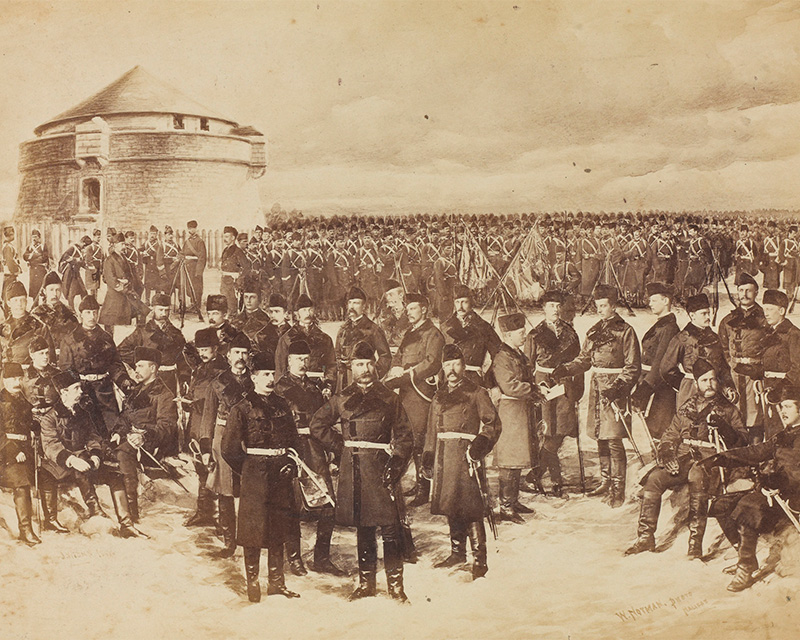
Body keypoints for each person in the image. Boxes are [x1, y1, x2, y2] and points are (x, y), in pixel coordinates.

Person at [309, 340, 414, 602]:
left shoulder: (390, 397)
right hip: (354, 469)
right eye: (359, 364)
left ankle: (396, 587)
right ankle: (366, 584)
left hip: (381, 469)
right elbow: (317, 425)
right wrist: (342, 448)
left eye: (368, 363)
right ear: (351, 368)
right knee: (364, 527)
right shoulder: (342, 398)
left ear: (375, 365)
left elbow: (404, 435)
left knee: (390, 529)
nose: (365, 369)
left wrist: (396, 464)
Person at [625, 359, 747, 558]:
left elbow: (742, 441)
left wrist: (724, 427)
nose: (710, 384)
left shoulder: (728, 409)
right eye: (704, 380)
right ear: (696, 383)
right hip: (684, 457)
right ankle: (645, 537)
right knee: (654, 479)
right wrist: (666, 454)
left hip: (712, 460)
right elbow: (670, 435)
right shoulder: (686, 408)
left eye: (713, 379)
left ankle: (695, 544)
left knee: (697, 477)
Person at [700, 384, 800, 591]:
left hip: (792, 498)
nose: (782, 411)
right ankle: (744, 555)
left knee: (748, 506)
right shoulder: (783, 435)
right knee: (720, 506)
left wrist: (777, 482)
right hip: (773, 491)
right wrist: (722, 458)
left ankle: (745, 568)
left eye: (788, 406)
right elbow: (756, 451)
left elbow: (795, 475)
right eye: (781, 406)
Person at [221, 351, 301, 603]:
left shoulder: (282, 404)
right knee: (253, 530)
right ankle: (253, 582)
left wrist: (290, 464)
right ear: (253, 377)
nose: (270, 379)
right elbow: (229, 449)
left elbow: (293, 441)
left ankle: (277, 583)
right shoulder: (241, 408)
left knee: (278, 526)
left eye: (272, 374)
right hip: (254, 473)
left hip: (280, 473)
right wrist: (247, 470)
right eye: (265, 374)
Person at [552, 284, 641, 508]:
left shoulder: (626, 331)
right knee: (600, 436)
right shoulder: (593, 330)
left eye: (604, 306)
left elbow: (633, 366)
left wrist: (618, 388)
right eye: (597, 306)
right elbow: (584, 360)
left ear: (613, 306)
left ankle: (618, 489)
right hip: (597, 388)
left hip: (615, 390)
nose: (600, 310)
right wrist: (566, 368)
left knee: (614, 439)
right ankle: (605, 481)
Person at [422, 344, 500, 579]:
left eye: (456, 364)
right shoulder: (438, 396)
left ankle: (479, 560)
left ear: (464, 366)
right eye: (447, 365)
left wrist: (479, 446)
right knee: (450, 503)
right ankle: (457, 553)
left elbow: (492, 424)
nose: (452, 370)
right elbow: (430, 430)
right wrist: (428, 455)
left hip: (467, 455)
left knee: (472, 507)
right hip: (444, 454)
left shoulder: (477, 392)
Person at [39, 369, 145, 538]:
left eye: (80, 388)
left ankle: (126, 524)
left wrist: (95, 453)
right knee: (81, 461)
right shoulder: (50, 418)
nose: (81, 392)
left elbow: (92, 436)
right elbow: (51, 446)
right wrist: (72, 459)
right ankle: (95, 510)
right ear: (64, 392)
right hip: (58, 467)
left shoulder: (82, 413)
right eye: (76, 388)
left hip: (83, 462)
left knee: (114, 475)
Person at [275, 339, 344, 576]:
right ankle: (294, 558)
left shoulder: (315, 388)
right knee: (291, 505)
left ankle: (322, 558)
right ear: (289, 361)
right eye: (298, 360)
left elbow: (323, 420)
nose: (303, 363)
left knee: (328, 505)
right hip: (292, 450)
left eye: (306, 359)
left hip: (314, 449)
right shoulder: (280, 388)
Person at [384, 292, 445, 508]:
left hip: (421, 394)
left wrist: (407, 375)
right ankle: (417, 484)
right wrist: (393, 373)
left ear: (424, 310)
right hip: (406, 394)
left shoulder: (434, 334)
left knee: (421, 441)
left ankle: (424, 488)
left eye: (413, 309)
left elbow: (432, 363)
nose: (409, 313)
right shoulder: (409, 333)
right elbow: (399, 357)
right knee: (407, 438)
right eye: (407, 309)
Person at [110, 346, 179, 522]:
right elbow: (124, 418)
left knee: (123, 453)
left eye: (140, 366)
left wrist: (144, 436)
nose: (136, 371)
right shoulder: (136, 390)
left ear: (153, 368)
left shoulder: (164, 394)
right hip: (131, 438)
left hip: (151, 444)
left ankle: (131, 510)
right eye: (136, 366)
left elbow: (167, 426)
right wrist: (118, 432)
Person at [524, 290, 582, 497]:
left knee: (561, 430)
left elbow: (579, 362)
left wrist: (577, 390)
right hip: (544, 384)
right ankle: (556, 480)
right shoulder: (535, 334)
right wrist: (535, 386)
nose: (555, 310)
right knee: (548, 431)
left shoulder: (570, 332)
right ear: (544, 308)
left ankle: (536, 473)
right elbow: (528, 364)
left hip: (564, 384)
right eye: (551, 306)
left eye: (558, 306)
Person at [201, 332, 253, 557]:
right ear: (229, 355)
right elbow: (208, 417)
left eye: (244, 352)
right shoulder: (218, 383)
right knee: (225, 491)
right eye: (236, 353)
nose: (240, 357)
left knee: (249, 490)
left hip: (250, 437)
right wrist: (206, 449)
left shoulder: (256, 380)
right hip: (222, 438)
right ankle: (229, 541)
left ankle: (248, 538)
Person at [490, 312, 544, 521]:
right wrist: (534, 389)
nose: (524, 336)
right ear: (508, 334)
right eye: (520, 333)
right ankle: (505, 506)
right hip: (510, 413)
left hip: (521, 411)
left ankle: (513, 500)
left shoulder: (517, 354)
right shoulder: (502, 357)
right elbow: (510, 386)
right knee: (508, 460)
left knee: (518, 458)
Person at [58, 295, 134, 435]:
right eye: (87, 312)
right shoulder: (70, 340)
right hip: (82, 391)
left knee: (111, 429)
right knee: (86, 430)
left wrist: (123, 379)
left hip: (104, 390)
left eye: (94, 312)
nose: (92, 316)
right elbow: (66, 369)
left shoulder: (106, 338)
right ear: (80, 314)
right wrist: (77, 390)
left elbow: (114, 364)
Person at [718, 272, 771, 443]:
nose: (745, 294)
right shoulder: (727, 321)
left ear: (756, 293)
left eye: (749, 290)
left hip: (755, 379)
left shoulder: (765, 320)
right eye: (741, 290)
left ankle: (754, 463)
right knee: (735, 420)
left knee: (756, 421)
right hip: (734, 377)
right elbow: (723, 350)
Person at [660, 293, 734, 413]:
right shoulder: (682, 338)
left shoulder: (714, 337)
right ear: (692, 316)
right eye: (703, 314)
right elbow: (666, 369)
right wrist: (685, 385)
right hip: (691, 391)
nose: (708, 317)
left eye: (708, 313)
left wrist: (729, 387)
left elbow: (723, 367)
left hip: (714, 390)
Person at [183, 327, 227, 528]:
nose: (202, 353)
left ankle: (220, 517)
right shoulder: (201, 367)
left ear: (216, 348)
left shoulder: (221, 370)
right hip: (197, 422)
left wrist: (196, 402)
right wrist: (188, 400)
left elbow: (218, 399)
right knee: (201, 467)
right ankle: (204, 512)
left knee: (214, 468)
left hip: (210, 424)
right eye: (200, 349)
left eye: (206, 349)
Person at [630, 282, 680, 440]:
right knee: (653, 428)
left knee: (660, 429)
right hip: (652, 383)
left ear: (665, 301)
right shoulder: (661, 325)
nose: (649, 303)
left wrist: (645, 388)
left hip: (660, 386)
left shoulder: (669, 327)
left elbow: (660, 362)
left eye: (653, 300)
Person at [118, 293, 188, 398]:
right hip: (148, 379)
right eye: (160, 310)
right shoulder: (142, 331)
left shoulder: (176, 333)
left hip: (169, 380)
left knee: (167, 409)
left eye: (166, 310)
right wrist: (141, 361)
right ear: (153, 309)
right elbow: (121, 350)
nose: (164, 313)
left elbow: (183, 359)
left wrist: (184, 378)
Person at [0, 362, 40, 546]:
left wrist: (34, 426)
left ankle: (49, 521)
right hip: (5, 454)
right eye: (12, 378)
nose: (16, 382)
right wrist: (13, 450)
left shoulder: (23, 400)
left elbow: (27, 424)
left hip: (24, 451)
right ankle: (26, 530)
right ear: (4, 380)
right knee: (22, 483)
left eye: (19, 378)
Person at [440, 283, 502, 387]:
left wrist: (488, 379)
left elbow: (499, 356)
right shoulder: (445, 327)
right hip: (450, 379)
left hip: (473, 380)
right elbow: (439, 356)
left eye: (464, 302)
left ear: (471, 303)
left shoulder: (483, 327)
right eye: (457, 302)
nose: (460, 307)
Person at [274, 293, 336, 392]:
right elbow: (280, 368)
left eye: (310, 310)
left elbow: (331, 365)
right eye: (303, 310)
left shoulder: (325, 339)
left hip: (318, 386)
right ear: (297, 314)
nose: (307, 313)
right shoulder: (286, 339)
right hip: (293, 388)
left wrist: (328, 386)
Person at [334, 286, 392, 391]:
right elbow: (336, 353)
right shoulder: (343, 329)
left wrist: (372, 374)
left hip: (365, 381)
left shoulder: (373, 329)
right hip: (345, 381)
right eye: (350, 303)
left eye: (356, 303)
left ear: (363, 306)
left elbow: (386, 356)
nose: (352, 306)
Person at [760, 289, 800, 438]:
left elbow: (797, 368)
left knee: (785, 434)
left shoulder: (794, 334)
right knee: (771, 432)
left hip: (786, 393)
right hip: (769, 390)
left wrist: (779, 391)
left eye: (769, 309)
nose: (766, 313)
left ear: (782, 310)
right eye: (764, 309)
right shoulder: (768, 333)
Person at [100, 232, 149, 333]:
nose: (124, 246)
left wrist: (131, 285)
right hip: (115, 296)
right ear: (114, 245)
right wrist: (122, 284)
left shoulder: (124, 258)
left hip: (127, 293)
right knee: (109, 321)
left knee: (142, 312)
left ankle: (138, 337)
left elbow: (129, 275)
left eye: (124, 244)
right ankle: (109, 343)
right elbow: (110, 279)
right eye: (121, 244)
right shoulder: (109, 260)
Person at [0, 280, 55, 366]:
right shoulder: (2, 328)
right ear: (9, 303)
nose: (19, 304)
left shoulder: (39, 326)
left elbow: (50, 358)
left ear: (26, 301)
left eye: (22, 300)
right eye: (15, 300)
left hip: (30, 374)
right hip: (7, 375)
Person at [30, 271, 79, 355]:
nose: (54, 294)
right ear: (44, 291)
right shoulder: (36, 314)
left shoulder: (69, 314)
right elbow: (32, 342)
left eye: (58, 290)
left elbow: (77, 337)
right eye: (51, 290)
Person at [219, 226, 250, 315]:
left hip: (233, 283)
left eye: (227, 237)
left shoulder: (238, 251)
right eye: (224, 237)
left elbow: (247, 268)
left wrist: (239, 281)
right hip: (224, 282)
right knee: (225, 305)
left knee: (233, 307)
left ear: (233, 238)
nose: (224, 239)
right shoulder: (225, 250)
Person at [181, 220, 207, 320]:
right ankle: (192, 304)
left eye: (193, 228)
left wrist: (199, 271)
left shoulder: (199, 241)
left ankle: (197, 306)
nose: (191, 230)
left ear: (196, 228)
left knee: (197, 287)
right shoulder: (187, 241)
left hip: (195, 267)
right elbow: (183, 252)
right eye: (189, 228)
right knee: (188, 287)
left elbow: (202, 257)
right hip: (187, 268)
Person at [140, 225, 166, 303]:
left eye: (154, 234)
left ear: (157, 234)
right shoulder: (146, 243)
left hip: (156, 267)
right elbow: (139, 251)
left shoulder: (160, 244)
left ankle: (157, 301)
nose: (152, 235)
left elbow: (162, 254)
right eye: (151, 233)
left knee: (158, 285)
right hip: (148, 267)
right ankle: (147, 300)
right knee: (147, 285)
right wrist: (143, 253)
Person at [23, 229, 50, 301]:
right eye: (33, 237)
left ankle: (45, 306)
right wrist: (36, 255)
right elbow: (25, 256)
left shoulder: (43, 246)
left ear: (39, 238)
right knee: (34, 291)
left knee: (43, 290)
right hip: (33, 271)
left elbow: (44, 257)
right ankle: (35, 307)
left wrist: (31, 260)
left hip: (41, 270)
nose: (34, 239)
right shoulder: (29, 247)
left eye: (36, 237)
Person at [82, 229, 104, 299]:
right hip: (91, 270)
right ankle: (91, 301)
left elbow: (102, 259)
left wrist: (101, 269)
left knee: (96, 287)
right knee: (92, 288)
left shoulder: (100, 247)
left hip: (98, 269)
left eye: (100, 237)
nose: (99, 239)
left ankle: (95, 301)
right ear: (94, 236)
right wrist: (93, 270)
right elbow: (88, 260)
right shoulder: (90, 247)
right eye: (98, 237)